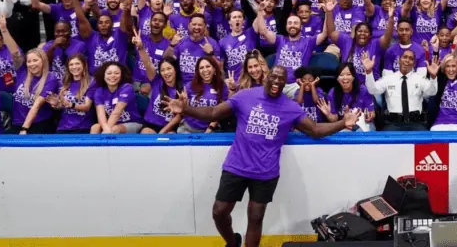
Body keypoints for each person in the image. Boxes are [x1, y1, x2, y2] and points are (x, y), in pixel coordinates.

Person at [164, 65, 359, 247]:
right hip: (236, 165)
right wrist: (186, 109)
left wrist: (343, 123)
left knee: (255, 217)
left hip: (266, 171)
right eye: (273, 77)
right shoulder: (245, 96)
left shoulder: (290, 107)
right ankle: (232, 242)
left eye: (281, 80)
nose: (276, 81)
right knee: (219, 211)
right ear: (266, 77)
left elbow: (315, 129)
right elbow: (214, 111)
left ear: (285, 84)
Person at [363, 48, 437, 131]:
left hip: (416, 124)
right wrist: (369, 72)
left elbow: (432, 92)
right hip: (393, 125)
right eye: (404, 57)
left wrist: (433, 77)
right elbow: (373, 90)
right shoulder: (388, 79)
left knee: (426, 142)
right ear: (399, 60)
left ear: (414, 64)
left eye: (411, 58)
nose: (407, 60)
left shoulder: (419, 79)